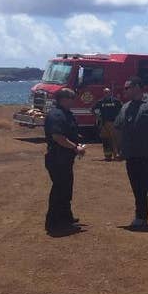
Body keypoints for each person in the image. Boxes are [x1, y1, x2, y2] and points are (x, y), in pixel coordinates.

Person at [115, 76, 148, 229]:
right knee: (137, 187)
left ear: (137, 87)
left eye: (127, 88)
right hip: (132, 155)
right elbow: (118, 127)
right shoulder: (125, 107)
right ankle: (141, 216)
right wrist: (119, 150)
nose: (124, 91)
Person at [44, 88, 86, 234]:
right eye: (72, 98)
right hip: (58, 158)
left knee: (66, 189)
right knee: (60, 191)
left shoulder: (66, 114)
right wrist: (75, 147)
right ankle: (55, 223)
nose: (74, 100)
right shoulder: (56, 115)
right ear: (63, 99)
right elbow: (58, 136)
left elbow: (70, 132)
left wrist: (78, 141)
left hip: (64, 158)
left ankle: (66, 217)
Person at [91, 88, 122, 161]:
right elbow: (92, 109)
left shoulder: (116, 101)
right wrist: (97, 116)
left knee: (115, 139)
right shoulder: (100, 102)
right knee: (106, 139)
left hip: (114, 123)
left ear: (110, 93)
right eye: (105, 93)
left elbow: (122, 109)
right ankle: (107, 156)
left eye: (107, 92)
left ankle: (117, 155)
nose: (106, 94)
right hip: (104, 123)